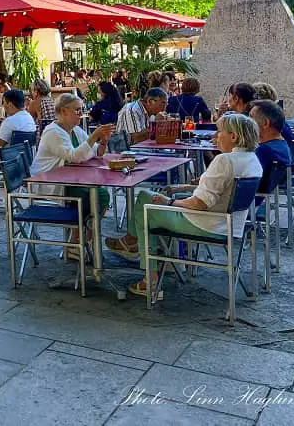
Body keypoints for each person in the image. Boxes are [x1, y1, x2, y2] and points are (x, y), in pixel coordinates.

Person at [106, 113, 262, 298]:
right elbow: (225, 190)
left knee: (145, 201)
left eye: (220, 132)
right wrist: (184, 188)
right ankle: (138, 246)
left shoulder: (224, 160)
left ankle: (149, 276)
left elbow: (200, 203)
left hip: (204, 223)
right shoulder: (252, 160)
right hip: (230, 225)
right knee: (158, 196)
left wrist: (170, 202)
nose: (214, 136)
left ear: (234, 136)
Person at [31, 94, 114, 257]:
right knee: (95, 195)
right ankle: (78, 240)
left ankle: (82, 238)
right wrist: (93, 137)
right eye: (77, 110)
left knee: (100, 193)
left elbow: (96, 151)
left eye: (81, 110)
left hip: (70, 179)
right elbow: (76, 156)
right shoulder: (53, 132)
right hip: (51, 182)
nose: (80, 113)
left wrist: (103, 141)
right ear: (63, 111)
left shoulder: (75, 130)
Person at [250, 100, 292, 172]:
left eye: (251, 117)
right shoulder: (282, 145)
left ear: (265, 123)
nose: (247, 121)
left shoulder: (263, 151)